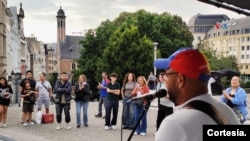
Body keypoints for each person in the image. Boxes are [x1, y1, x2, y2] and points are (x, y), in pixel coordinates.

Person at [154, 48, 240, 141]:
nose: (165, 80)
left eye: (167, 75)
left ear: (180, 79)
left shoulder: (175, 124)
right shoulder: (228, 112)